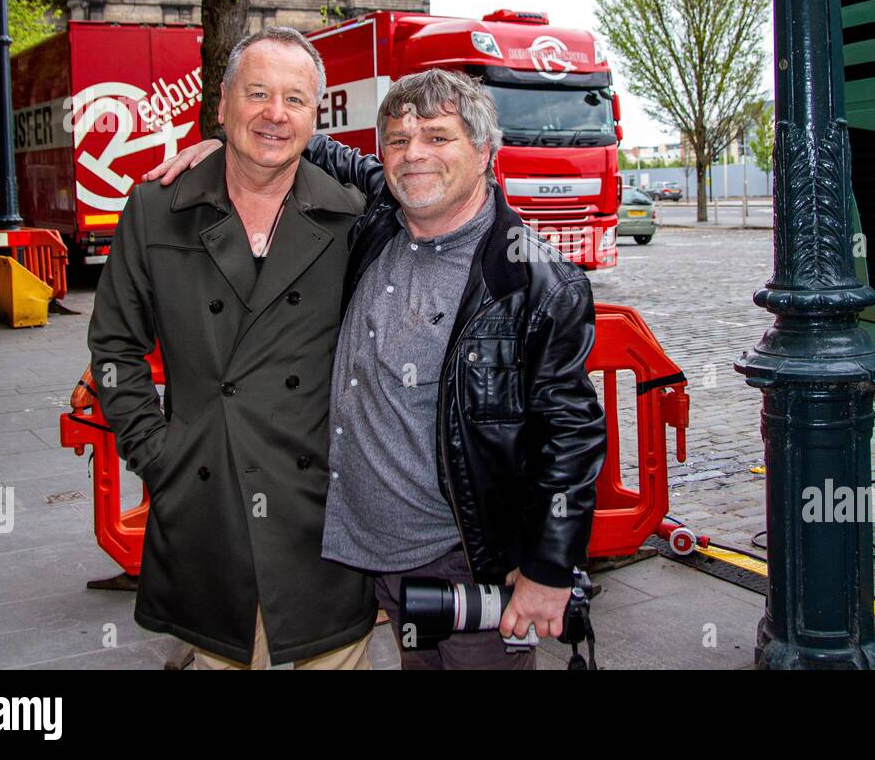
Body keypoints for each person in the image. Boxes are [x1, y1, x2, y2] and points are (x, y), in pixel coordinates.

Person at [154, 68, 607, 669]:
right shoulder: (381, 217)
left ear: (484, 153)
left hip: (464, 561)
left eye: (438, 137)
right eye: (398, 140)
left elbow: (571, 434)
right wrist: (234, 143)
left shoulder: (536, 282)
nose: (414, 154)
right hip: (362, 551)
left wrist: (549, 568)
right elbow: (318, 147)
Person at [88, 26, 379, 669]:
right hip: (207, 505)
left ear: (315, 118)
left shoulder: (355, 217)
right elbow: (114, 347)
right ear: (221, 104)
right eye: (257, 93)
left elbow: (456, 199)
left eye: (295, 100)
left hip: (321, 516)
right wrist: (159, 455)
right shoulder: (156, 207)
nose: (276, 113)